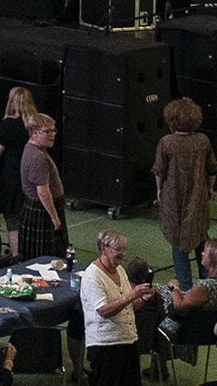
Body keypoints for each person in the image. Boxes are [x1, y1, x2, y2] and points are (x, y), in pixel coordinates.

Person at [154, 97, 217, 288]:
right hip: (197, 197)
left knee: (178, 243)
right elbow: (212, 169)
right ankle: (208, 284)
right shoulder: (203, 141)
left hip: (174, 199)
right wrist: (209, 188)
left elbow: (159, 171)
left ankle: (185, 287)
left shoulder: (166, 143)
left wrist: (159, 190)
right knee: (200, 237)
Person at [82, 229, 153, 386]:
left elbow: (129, 306)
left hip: (128, 339)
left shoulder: (120, 270)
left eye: (124, 249)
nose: (122, 254)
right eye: (118, 249)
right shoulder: (92, 276)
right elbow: (103, 311)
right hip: (105, 344)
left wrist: (142, 298)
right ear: (103, 249)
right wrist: (132, 296)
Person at [0, 87, 37, 260]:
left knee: (13, 221)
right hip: (33, 176)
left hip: (12, 177)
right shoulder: (35, 125)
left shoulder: (8, 124)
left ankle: (16, 256)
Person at [16, 113, 67, 262]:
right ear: (35, 132)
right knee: (46, 259)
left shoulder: (36, 150)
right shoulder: (37, 156)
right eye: (47, 131)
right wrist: (54, 217)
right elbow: (43, 191)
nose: (52, 134)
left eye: (53, 130)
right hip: (42, 209)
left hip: (40, 208)